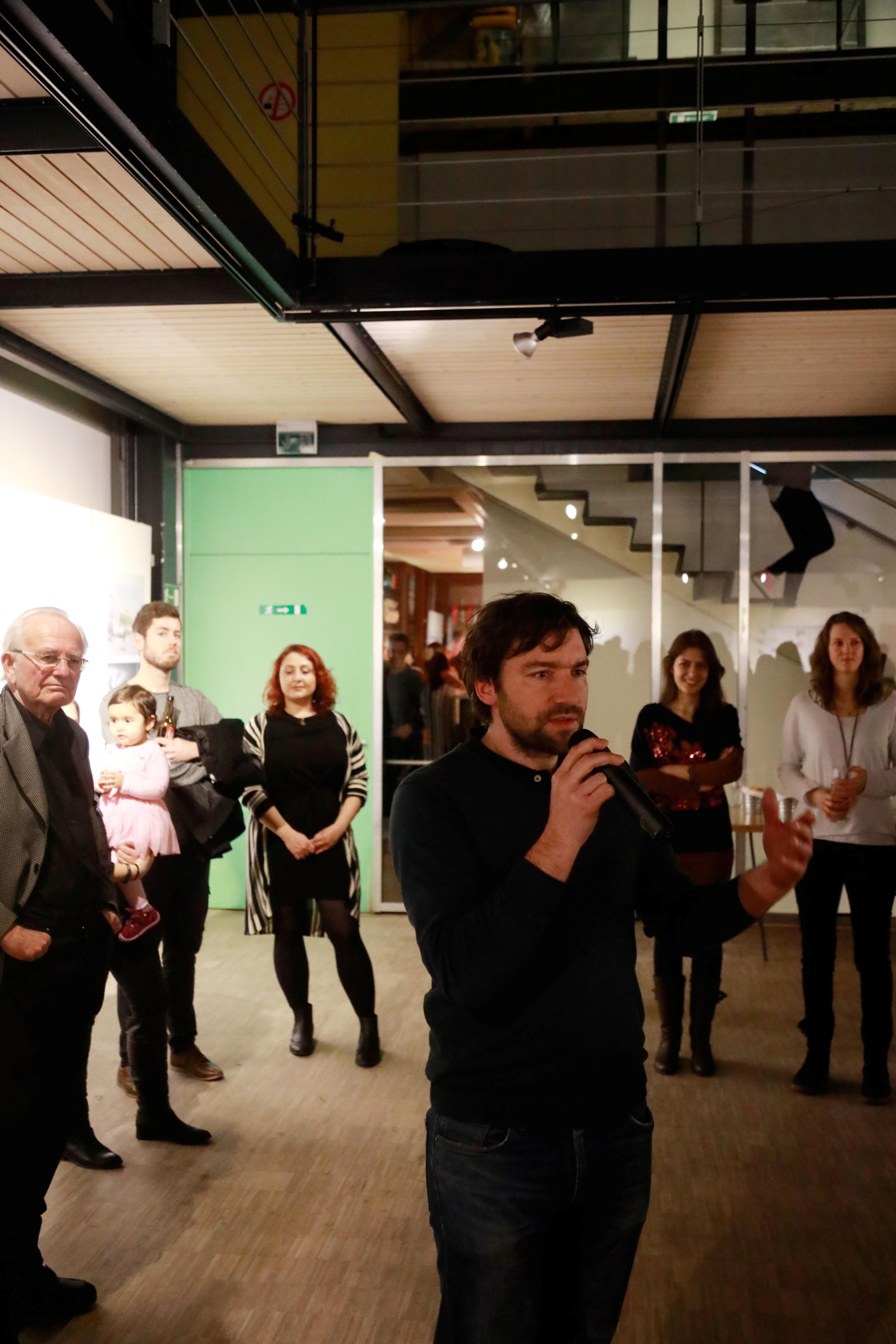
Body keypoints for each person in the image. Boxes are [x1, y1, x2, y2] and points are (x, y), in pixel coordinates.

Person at [390, 591, 813, 1344]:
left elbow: (678, 919)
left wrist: (768, 881)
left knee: (585, 1330)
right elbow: (464, 969)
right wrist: (559, 837)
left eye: (578, 671)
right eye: (541, 672)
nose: (569, 692)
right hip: (493, 1133)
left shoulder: (609, 784)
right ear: (485, 687)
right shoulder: (433, 799)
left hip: (615, 1120)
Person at [0, 607, 154, 1344]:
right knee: (11, 1120)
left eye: (73, 659)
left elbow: (82, 824)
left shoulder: (73, 734)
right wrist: (4, 928)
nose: (61, 670)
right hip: (16, 960)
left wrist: (106, 896)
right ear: (10, 662)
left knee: (45, 1120)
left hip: (76, 949)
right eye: (46, 657)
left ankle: (21, 1272)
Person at [101, 601, 228, 1085]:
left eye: (177, 633)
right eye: (162, 633)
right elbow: (117, 770)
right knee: (137, 951)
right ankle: (130, 1058)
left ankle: (183, 1045)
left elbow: (228, 753)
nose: (173, 641)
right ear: (139, 639)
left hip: (191, 841)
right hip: (140, 849)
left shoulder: (195, 700)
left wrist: (195, 749)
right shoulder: (118, 700)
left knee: (183, 950)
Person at [242, 644, 380, 1066]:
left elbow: (358, 780)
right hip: (280, 842)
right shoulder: (260, 726)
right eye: (289, 671)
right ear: (278, 679)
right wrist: (287, 834)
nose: (298, 677)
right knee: (286, 930)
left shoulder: (339, 724)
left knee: (344, 931)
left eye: (306, 669)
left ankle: (368, 1024)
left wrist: (338, 828)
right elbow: (249, 787)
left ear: (318, 677)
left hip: (330, 842)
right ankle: (301, 1018)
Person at [779, 610, 896, 1105]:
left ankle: (875, 1066)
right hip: (819, 841)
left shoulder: (890, 703)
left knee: (873, 958)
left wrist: (871, 781)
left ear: (867, 649)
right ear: (825, 651)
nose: (846, 650)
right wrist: (813, 795)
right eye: (837, 643)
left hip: (875, 844)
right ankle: (817, 1057)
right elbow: (786, 768)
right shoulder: (803, 705)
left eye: (854, 642)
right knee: (816, 954)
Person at [630, 630, 743, 1077]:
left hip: (712, 840)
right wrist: (701, 780)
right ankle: (669, 1037)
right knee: (669, 935)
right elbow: (641, 777)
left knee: (708, 935)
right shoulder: (651, 715)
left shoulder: (723, 715)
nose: (692, 672)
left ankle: (700, 1041)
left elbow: (731, 769)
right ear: (671, 667)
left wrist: (675, 772)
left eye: (700, 665)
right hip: (665, 840)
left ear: (710, 671)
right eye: (684, 664)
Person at [96, 685, 180, 942]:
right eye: (114, 720)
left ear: (149, 722)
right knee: (111, 863)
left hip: (139, 819)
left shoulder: (152, 751)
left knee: (126, 863)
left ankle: (142, 908)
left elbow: (158, 788)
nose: (119, 727)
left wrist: (124, 783)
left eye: (127, 720)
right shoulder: (114, 751)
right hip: (115, 816)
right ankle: (134, 908)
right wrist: (101, 784)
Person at [752, 463, 834, 600]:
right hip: (791, 486)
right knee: (824, 540)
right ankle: (771, 574)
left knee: (803, 549)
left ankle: (789, 598)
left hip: (784, 488)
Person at [383, 631, 425, 813]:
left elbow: (423, 709)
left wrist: (411, 726)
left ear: (406, 652)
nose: (395, 656)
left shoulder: (413, 678)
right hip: (386, 736)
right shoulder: (381, 676)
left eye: (400, 652)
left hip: (407, 738)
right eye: (392, 651)